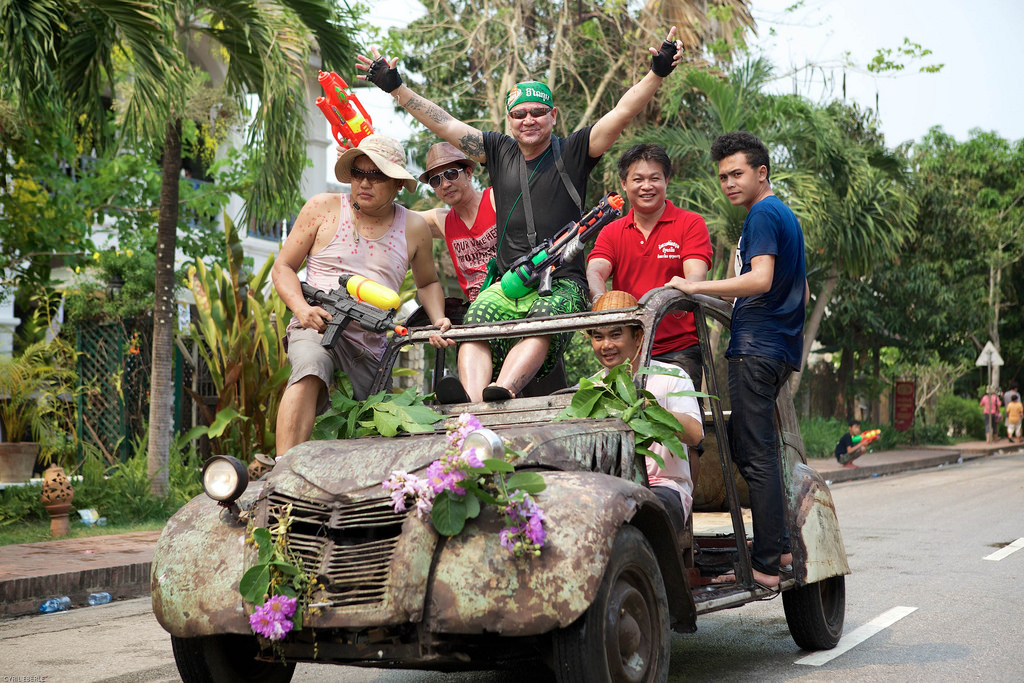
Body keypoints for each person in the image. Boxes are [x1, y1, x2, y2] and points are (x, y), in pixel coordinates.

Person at [357, 29, 684, 403]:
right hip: (511, 280)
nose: (529, 120)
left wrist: (657, 72)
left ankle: (504, 390)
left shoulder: (575, 150)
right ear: (509, 120)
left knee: (541, 319)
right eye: (519, 114)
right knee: (476, 319)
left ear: (553, 116)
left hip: (562, 281)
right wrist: (396, 88)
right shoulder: (497, 150)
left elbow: (622, 111)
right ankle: (473, 402)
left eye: (538, 112)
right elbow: (444, 124)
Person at [666, 132, 807, 589]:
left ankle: (766, 564)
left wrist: (696, 288)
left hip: (758, 349)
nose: (728, 183)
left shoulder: (764, 213)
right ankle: (779, 542)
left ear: (760, 173)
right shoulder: (778, 213)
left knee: (756, 454)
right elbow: (797, 290)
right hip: (776, 348)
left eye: (737, 174)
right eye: (723, 176)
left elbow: (760, 280)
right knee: (745, 443)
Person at [273, 134, 454, 457]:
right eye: (359, 173)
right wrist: (301, 309)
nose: (365, 183)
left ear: (398, 184)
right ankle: (283, 472)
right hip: (319, 324)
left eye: (377, 175)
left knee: (375, 423)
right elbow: (284, 267)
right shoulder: (323, 208)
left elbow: (427, 283)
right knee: (310, 365)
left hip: (371, 346)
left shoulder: (413, 227)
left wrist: (438, 318)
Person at [587, 143, 712, 387]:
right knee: (624, 421)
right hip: (627, 350)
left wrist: (677, 292)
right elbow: (594, 270)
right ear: (624, 184)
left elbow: (695, 277)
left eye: (654, 178)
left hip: (679, 349)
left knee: (677, 421)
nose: (646, 186)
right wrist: (599, 300)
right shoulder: (612, 232)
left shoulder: (690, 224)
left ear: (666, 180)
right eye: (638, 179)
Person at [587, 291, 703, 542]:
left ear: (638, 336)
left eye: (615, 334)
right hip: (609, 488)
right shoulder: (591, 388)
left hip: (663, 487)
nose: (606, 345)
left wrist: (652, 408)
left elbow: (695, 434)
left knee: (639, 519)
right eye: (598, 336)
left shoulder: (671, 376)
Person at [415, 142, 497, 302]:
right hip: (478, 308)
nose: (445, 184)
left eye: (451, 174)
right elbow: (391, 216)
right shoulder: (441, 220)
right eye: (435, 181)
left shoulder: (495, 199)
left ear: (468, 173)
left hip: (514, 291)